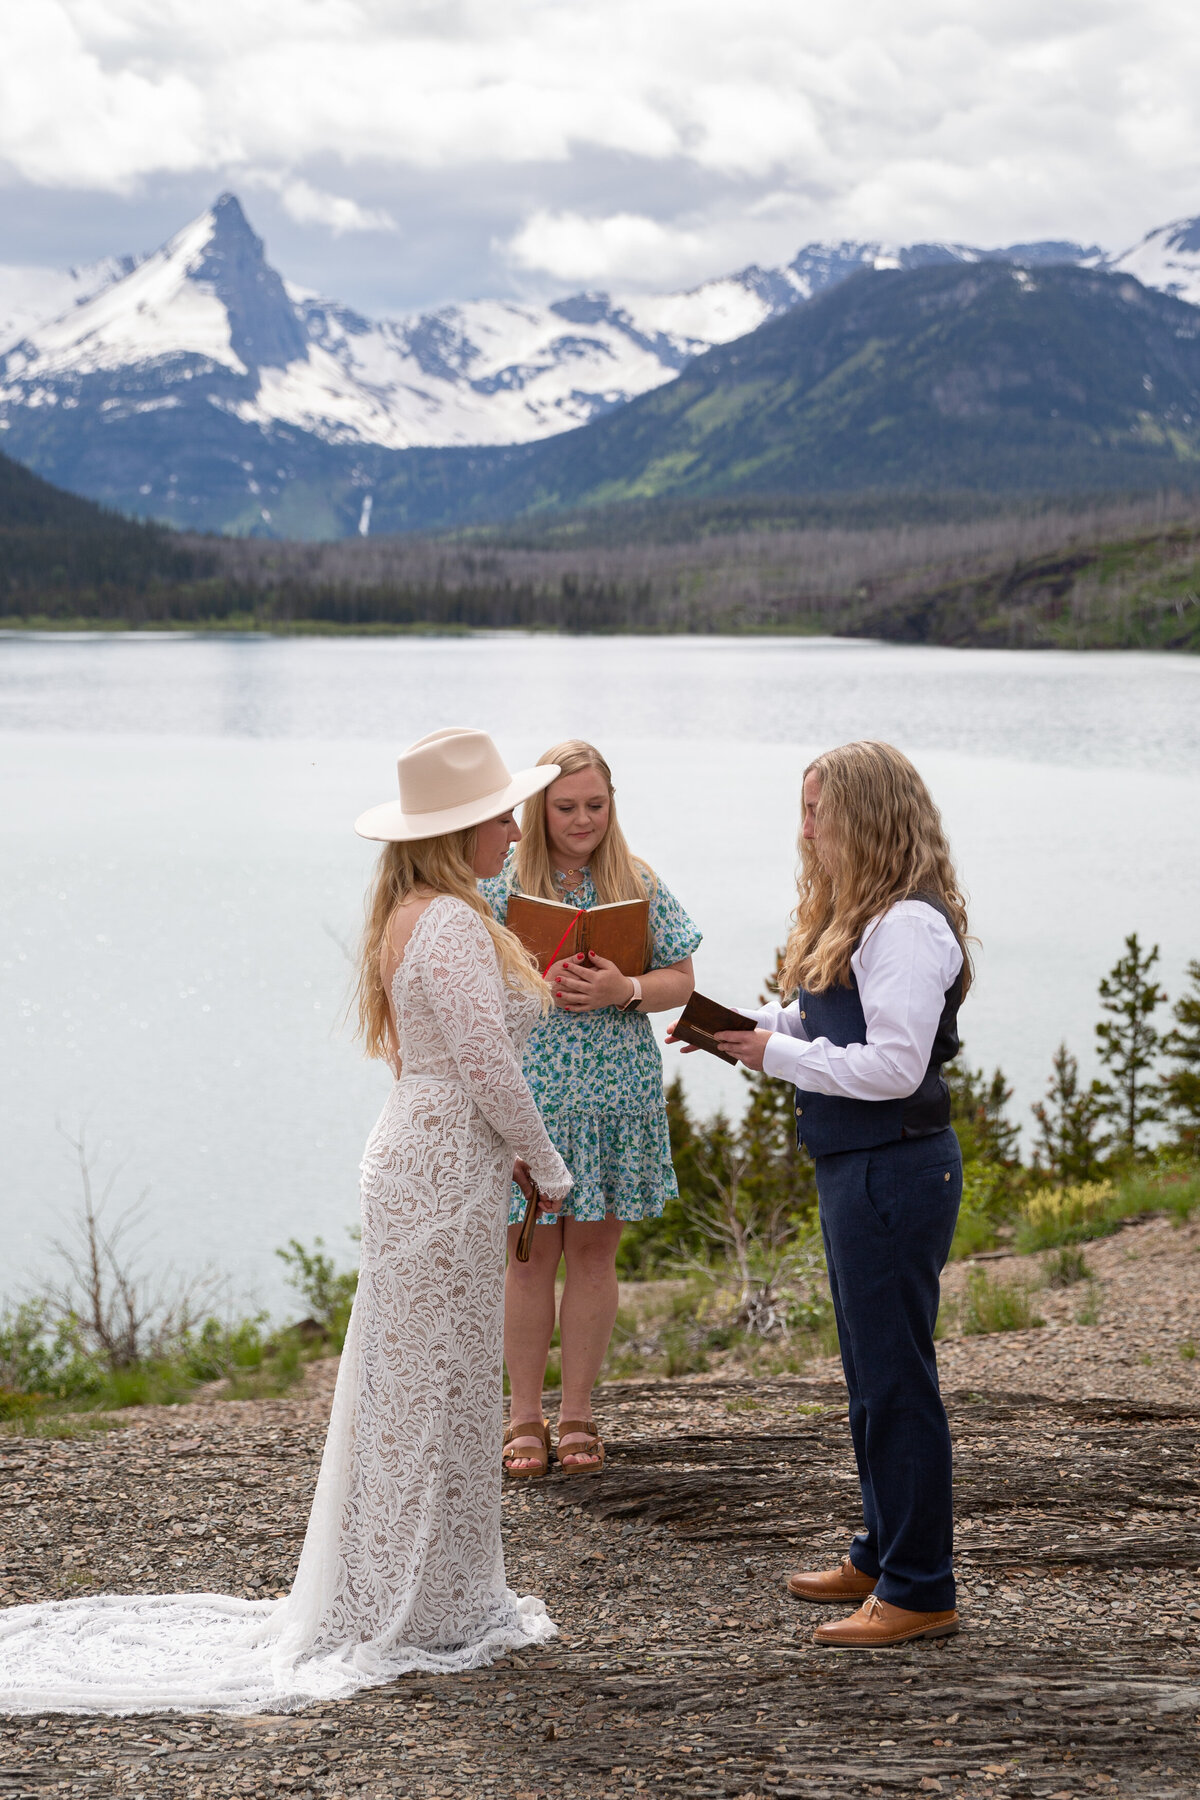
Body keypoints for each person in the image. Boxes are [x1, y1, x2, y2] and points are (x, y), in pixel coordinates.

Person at [0, 728, 573, 1714]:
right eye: (500, 813)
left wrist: (503, 1150)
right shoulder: (446, 925)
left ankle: (428, 1590)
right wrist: (548, 1164)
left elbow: (434, 1060)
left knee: (421, 1386)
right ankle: (421, 1603)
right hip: (441, 1172)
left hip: (429, 1157)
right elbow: (483, 1064)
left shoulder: (414, 912)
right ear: (462, 827)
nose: (514, 827)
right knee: (431, 1386)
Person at [674, 740, 968, 1649]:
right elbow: (815, 1019)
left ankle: (921, 1586)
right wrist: (738, 1028)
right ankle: (883, 1552)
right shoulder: (864, 915)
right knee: (869, 1377)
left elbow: (892, 1066)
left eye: (819, 810)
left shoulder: (910, 926)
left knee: (896, 1377)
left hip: (896, 1163)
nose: (805, 828)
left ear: (867, 815)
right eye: (803, 808)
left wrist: (777, 1058)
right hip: (860, 1164)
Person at [481, 740, 699, 1478]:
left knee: (594, 1256)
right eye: (566, 807)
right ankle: (522, 1417)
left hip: (613, 1097)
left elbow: (682, 980)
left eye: (595, 806)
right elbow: (469, 991)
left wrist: (626, 990)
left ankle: (576, 1414)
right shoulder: (502, 886)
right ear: (539, 809)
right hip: (534, 1097)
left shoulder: (635, 881)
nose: (582, 820)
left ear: (613, 804)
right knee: (530, 1257)